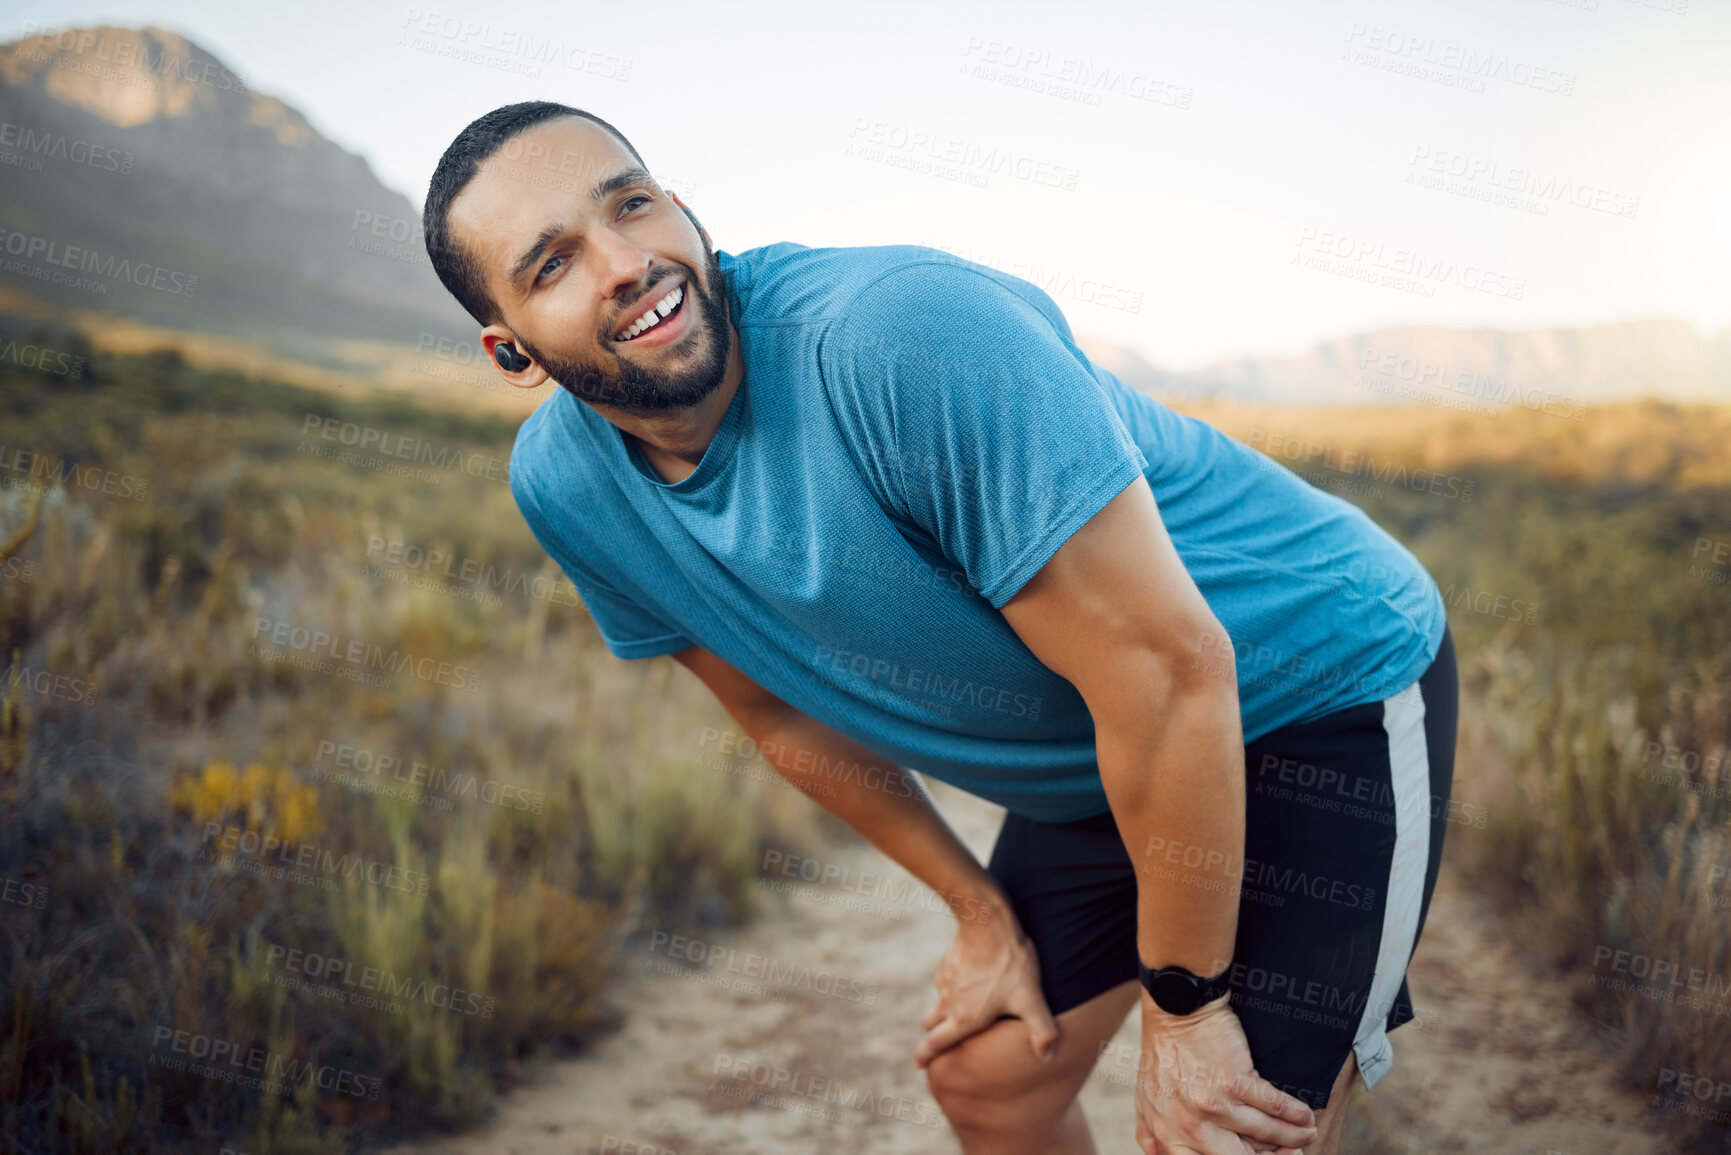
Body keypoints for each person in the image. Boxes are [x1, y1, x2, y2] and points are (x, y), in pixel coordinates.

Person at [423, 100, 1459, 1155]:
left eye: (632, 207)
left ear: (684, 209)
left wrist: (1185, 1011)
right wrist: (976, 910)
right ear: (511, 354)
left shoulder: (902, 338)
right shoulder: (566, 488)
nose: (624, 264)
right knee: (990, 1083)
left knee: (1229, 1133)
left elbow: (1172, 671)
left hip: (1318, 690)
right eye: (552, 264)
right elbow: (775, 711)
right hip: (1115, 749)